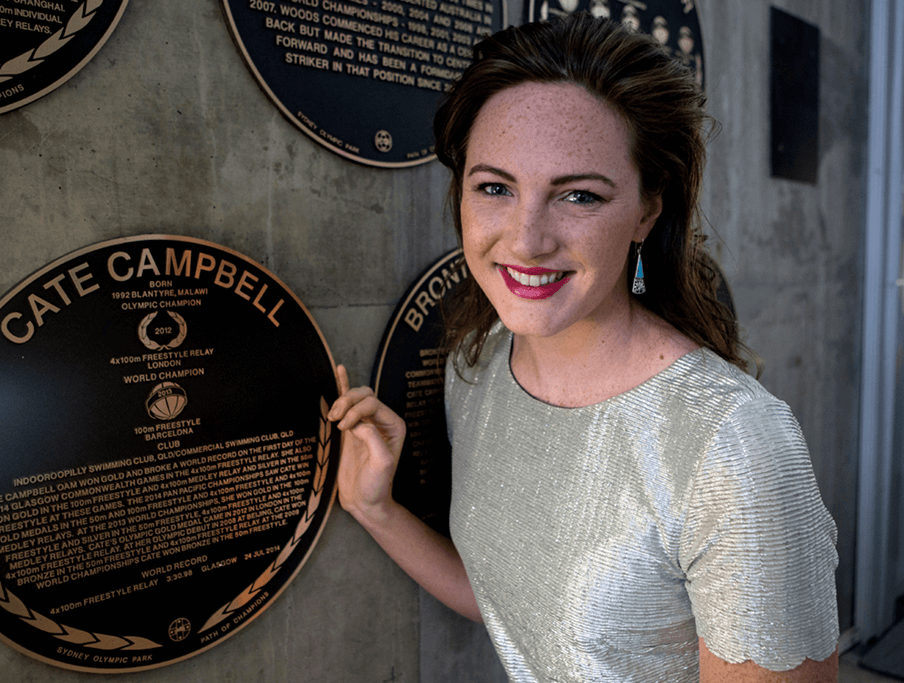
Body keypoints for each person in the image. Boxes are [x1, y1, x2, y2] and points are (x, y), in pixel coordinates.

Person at [328, 13, 838, 683]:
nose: (526, 238)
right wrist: (376, 508)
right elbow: (521, 609)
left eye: (577, 194)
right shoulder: (476, 366)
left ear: (648, 210)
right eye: (495, 188)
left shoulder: (733, 445)